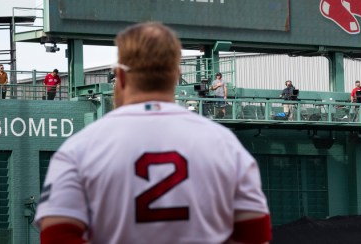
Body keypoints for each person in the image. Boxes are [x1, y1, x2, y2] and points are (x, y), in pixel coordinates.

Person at [34, 22, 271, 244]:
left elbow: (57, 234)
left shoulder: (80, 147)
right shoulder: (225, 144)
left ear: (122, 76)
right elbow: (255, 235)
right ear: (174, 75)